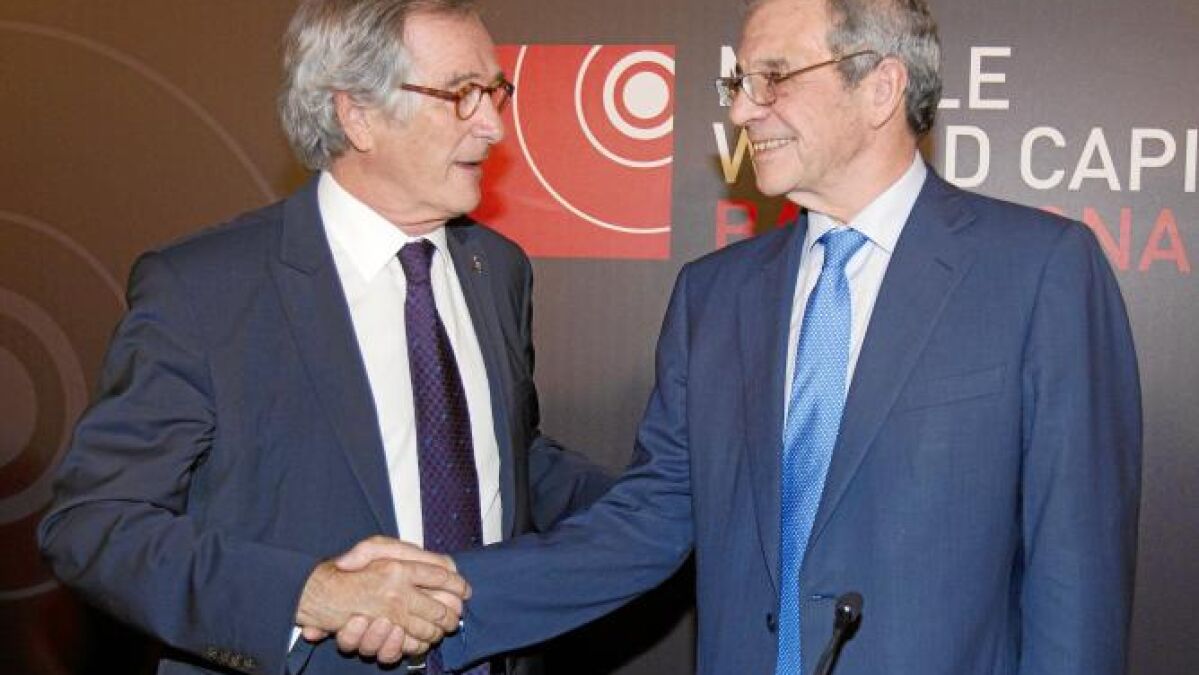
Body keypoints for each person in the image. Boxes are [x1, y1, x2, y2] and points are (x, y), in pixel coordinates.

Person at [339, 0, 1142, 673]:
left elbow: (1076, 573)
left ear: (880, 87)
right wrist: (442, 591)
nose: (739, 110)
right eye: (738, 82)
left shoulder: (1036, 271)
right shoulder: (715, 296)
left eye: (773, 78)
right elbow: (649, 520)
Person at [37, 1, 611, 673]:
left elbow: (503, 451)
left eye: (495, 91)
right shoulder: (206, 288)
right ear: (357, 114)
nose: (493, 124)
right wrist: (309, 594)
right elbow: (95, 523)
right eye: (461, 94)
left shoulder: (498, 270)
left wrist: (662, 502)